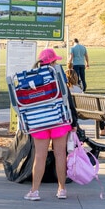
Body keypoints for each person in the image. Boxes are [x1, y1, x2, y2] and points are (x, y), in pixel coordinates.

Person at [24, 48, 70, 201]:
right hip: (59, 120)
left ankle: (35, 191)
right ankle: (62, 189)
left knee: (40, 156)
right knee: (60, 155)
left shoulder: (31, 77)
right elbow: (67, 98)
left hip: (39, 121)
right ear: (52, 61)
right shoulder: (57, 74)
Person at [66, 66, 105, 137]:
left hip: (74, 112)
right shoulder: (78, 89)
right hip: (83, 111)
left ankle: (104, 128)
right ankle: (103, 129)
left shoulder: (66, 89)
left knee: (95, 109)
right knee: (96, 109)